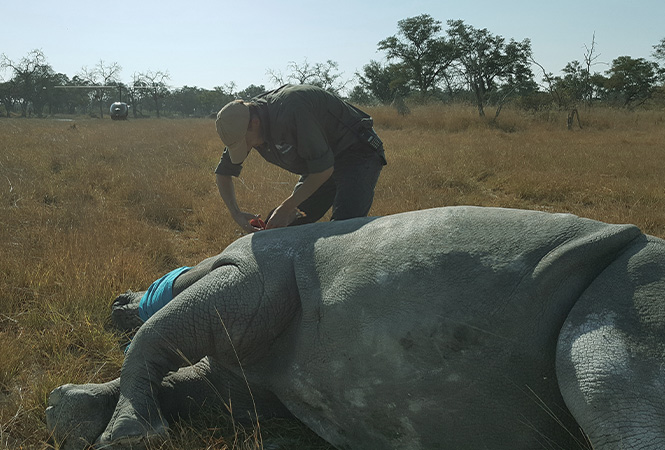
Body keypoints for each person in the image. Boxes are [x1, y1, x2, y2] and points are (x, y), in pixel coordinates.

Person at [214, 84, 387, 232]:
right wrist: (236, 213)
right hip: (319, 163)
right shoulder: (239, 123)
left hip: (355, 152)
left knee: (344, 227)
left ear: (254, 123)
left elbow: (324, 170)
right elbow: (223, 173)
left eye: (246, 143)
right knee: (280, 227)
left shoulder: (291, 109)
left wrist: (288, 206)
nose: (247, 149)